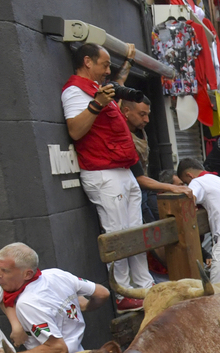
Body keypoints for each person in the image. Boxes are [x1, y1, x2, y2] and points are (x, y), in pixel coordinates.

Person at [61, 43, 152, 310]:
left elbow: (116, 82)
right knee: (118, 233)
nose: (107, 70)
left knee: (135, 232)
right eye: (104, 64)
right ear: (87, 62)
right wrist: (96, 105)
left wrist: (126, 68)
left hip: (121, 170)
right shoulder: (75, 90)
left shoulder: (96, 88)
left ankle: (145, 286)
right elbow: (75, 131)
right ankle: (124, 293)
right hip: (104, 172)